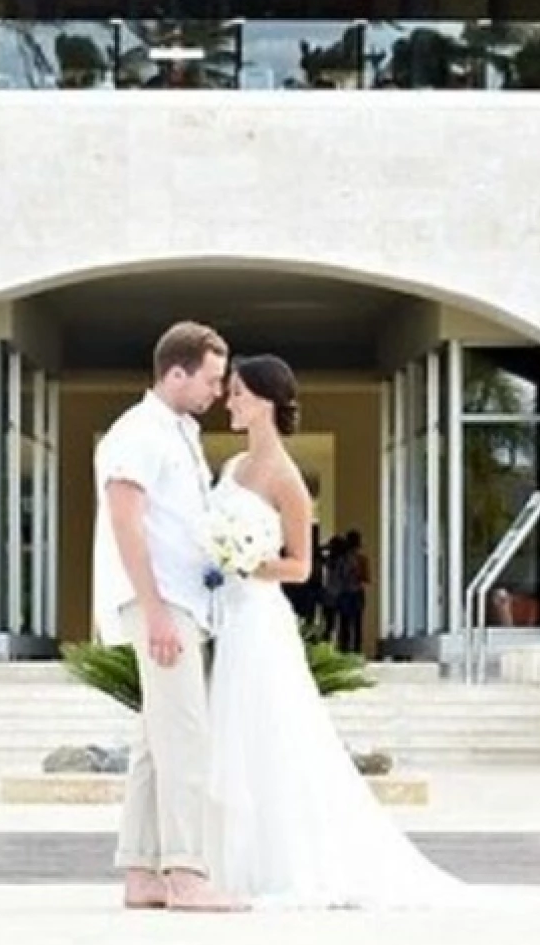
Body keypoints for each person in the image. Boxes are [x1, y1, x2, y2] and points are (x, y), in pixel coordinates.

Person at [205, 353, 463, 908]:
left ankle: (285, 864)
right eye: (230, 393)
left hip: (260, 618)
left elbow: (301, 567)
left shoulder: (287, 479)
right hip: (230, 618)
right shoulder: (230, 470)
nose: (230, 402)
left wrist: (247, 562)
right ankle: (235, 865)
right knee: (235, 735)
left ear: (266, 402)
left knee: (273, 732)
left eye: (239, 394)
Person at [93, 321, 240, 913]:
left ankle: (141, 871)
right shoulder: (138, 433)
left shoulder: (180, 432)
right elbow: (126, 522)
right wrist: (154, 610)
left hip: (183, 601)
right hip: (161, 603)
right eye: (209, 379)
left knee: (156, 740)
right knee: (185, 738)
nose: (217, 390)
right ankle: (185, 871)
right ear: (175, 373)